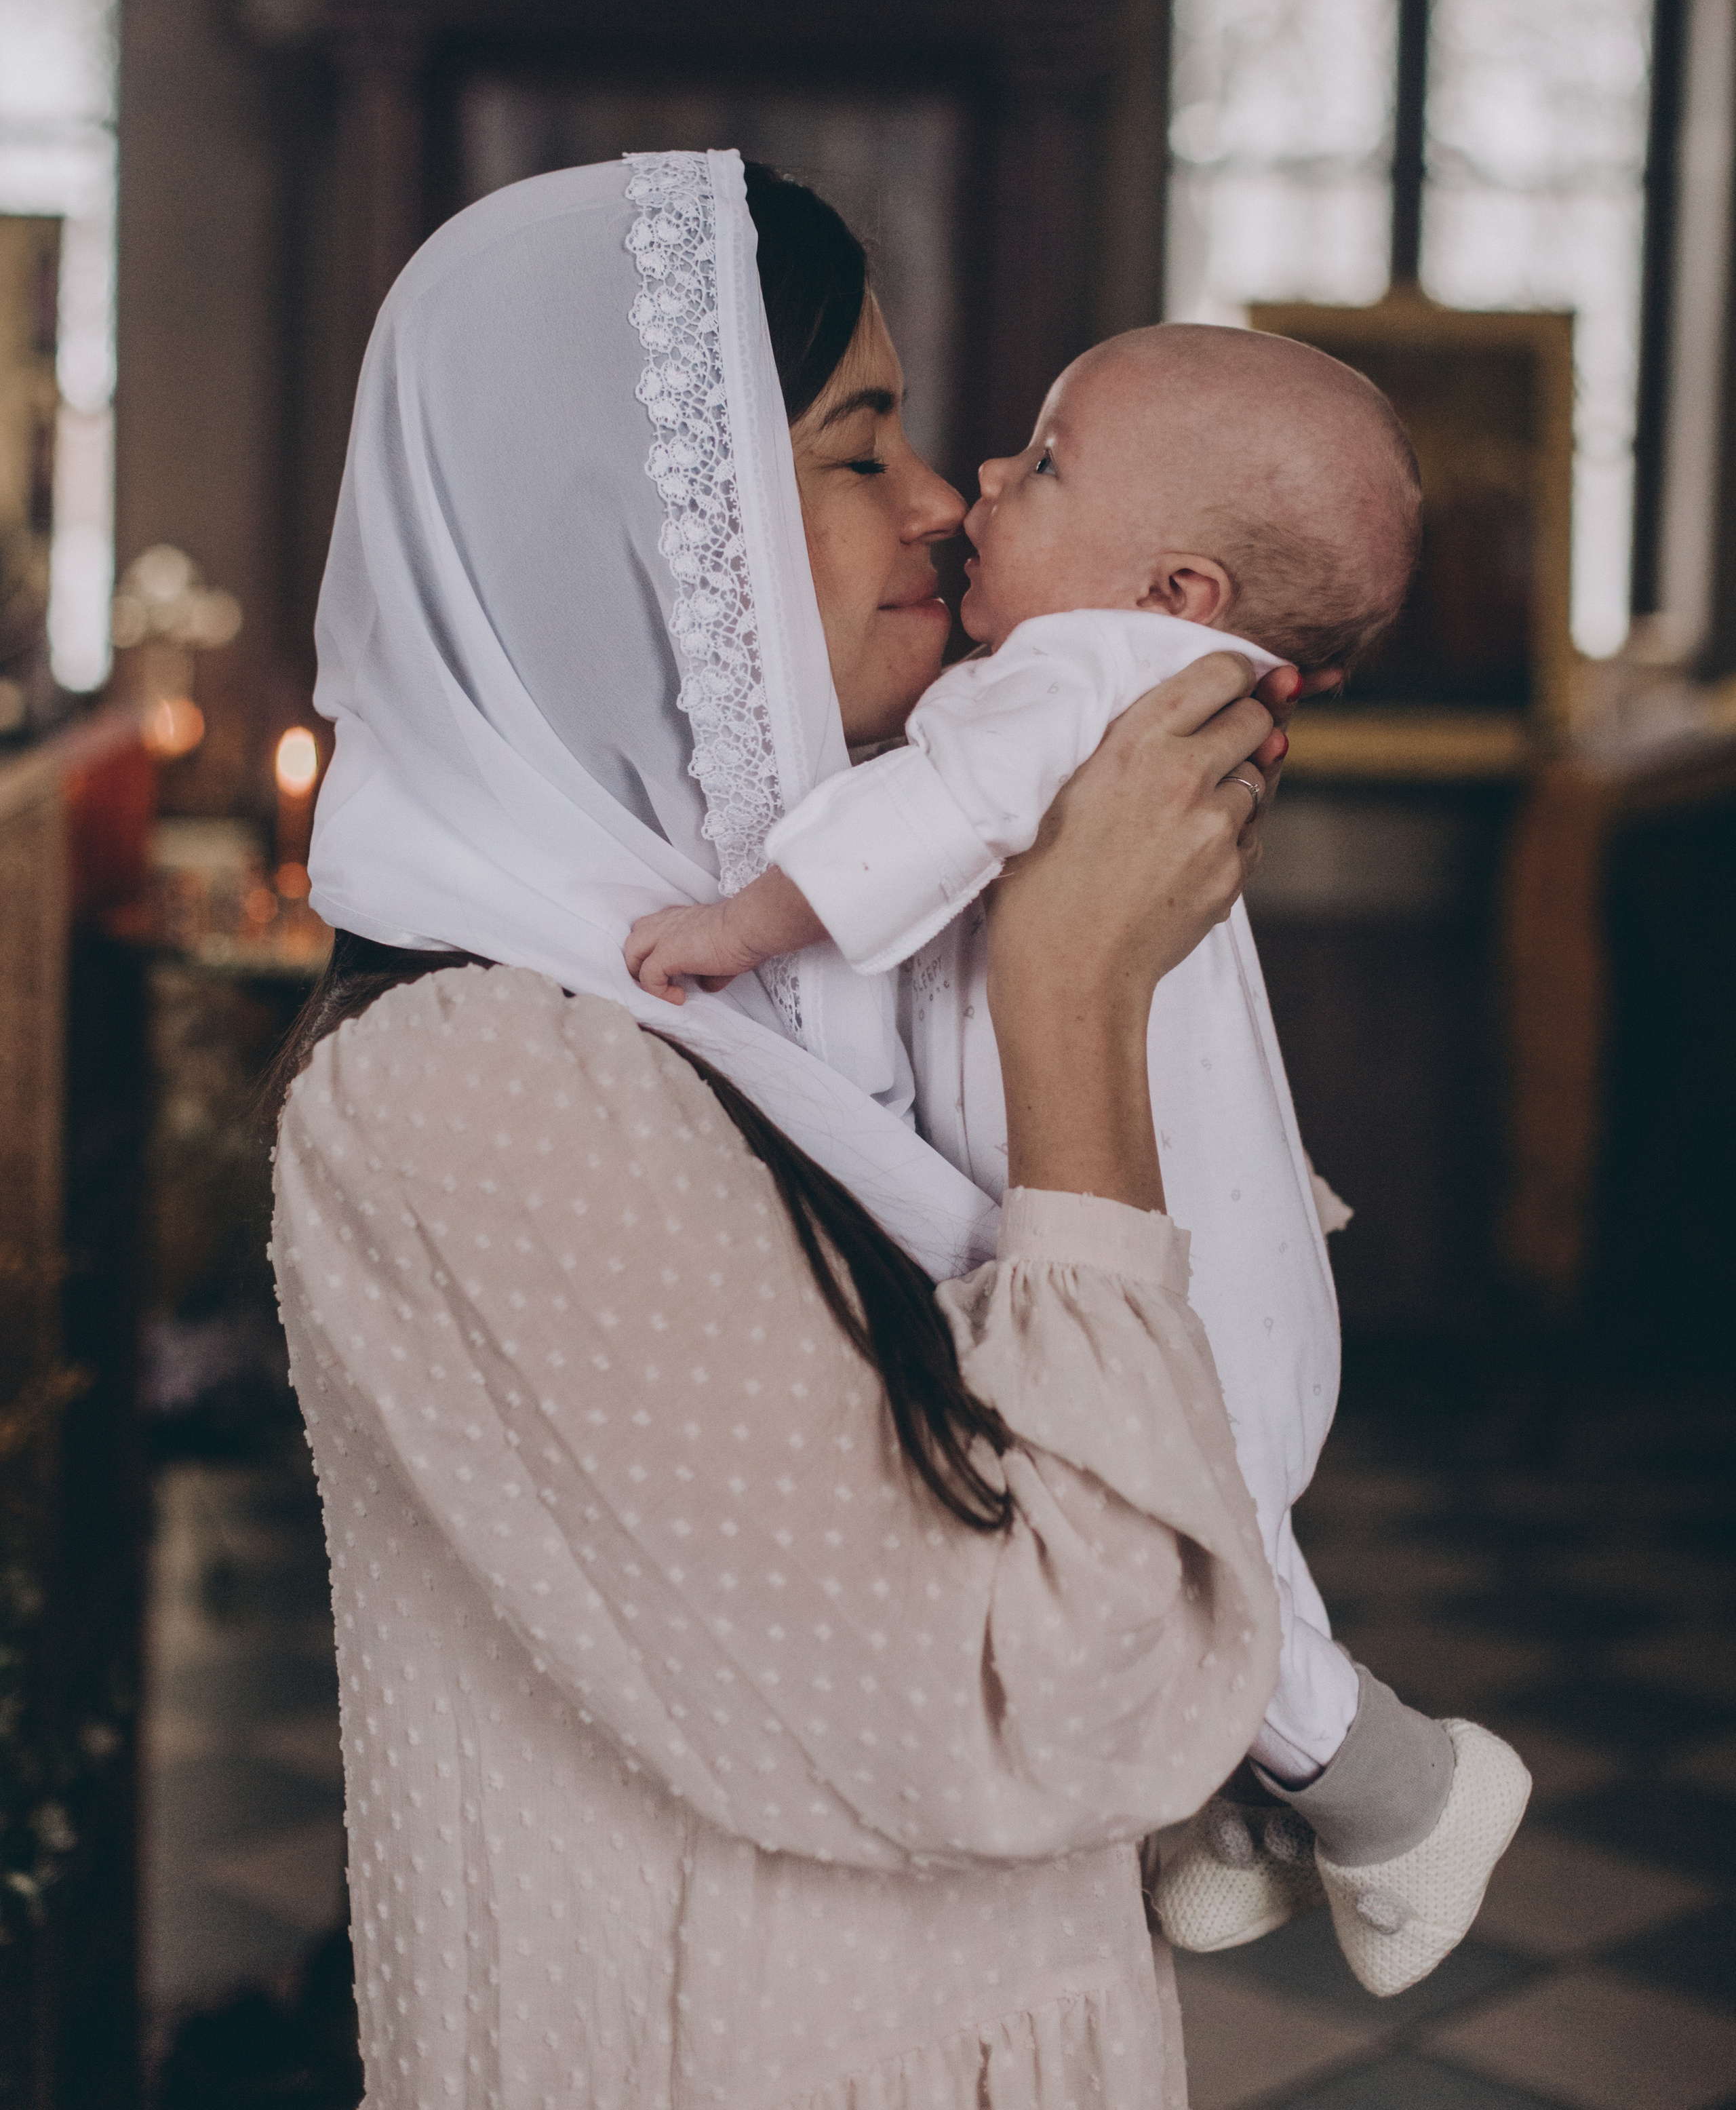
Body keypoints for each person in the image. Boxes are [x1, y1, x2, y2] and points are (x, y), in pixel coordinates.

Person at [267, 149, 1302, 2109]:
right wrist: (1071, 1002)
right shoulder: (470, 1083)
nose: (944, 502)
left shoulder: (808, 1005)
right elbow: (1043, 1709)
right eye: (857, 447)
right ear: (655, 538)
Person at [621, 324, 1533, 1997]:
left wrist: (740, 921)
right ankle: (1227, 1822)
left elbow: (929, 821)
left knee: (1195, 1545)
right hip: (1219, 1245)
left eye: (1040, 464)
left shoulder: (1078, 677)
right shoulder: (1150, 688)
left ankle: (1399, 1789)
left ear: (1174, 588)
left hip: (1165, 1253)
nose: (976, 483)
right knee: (1223, 1535)